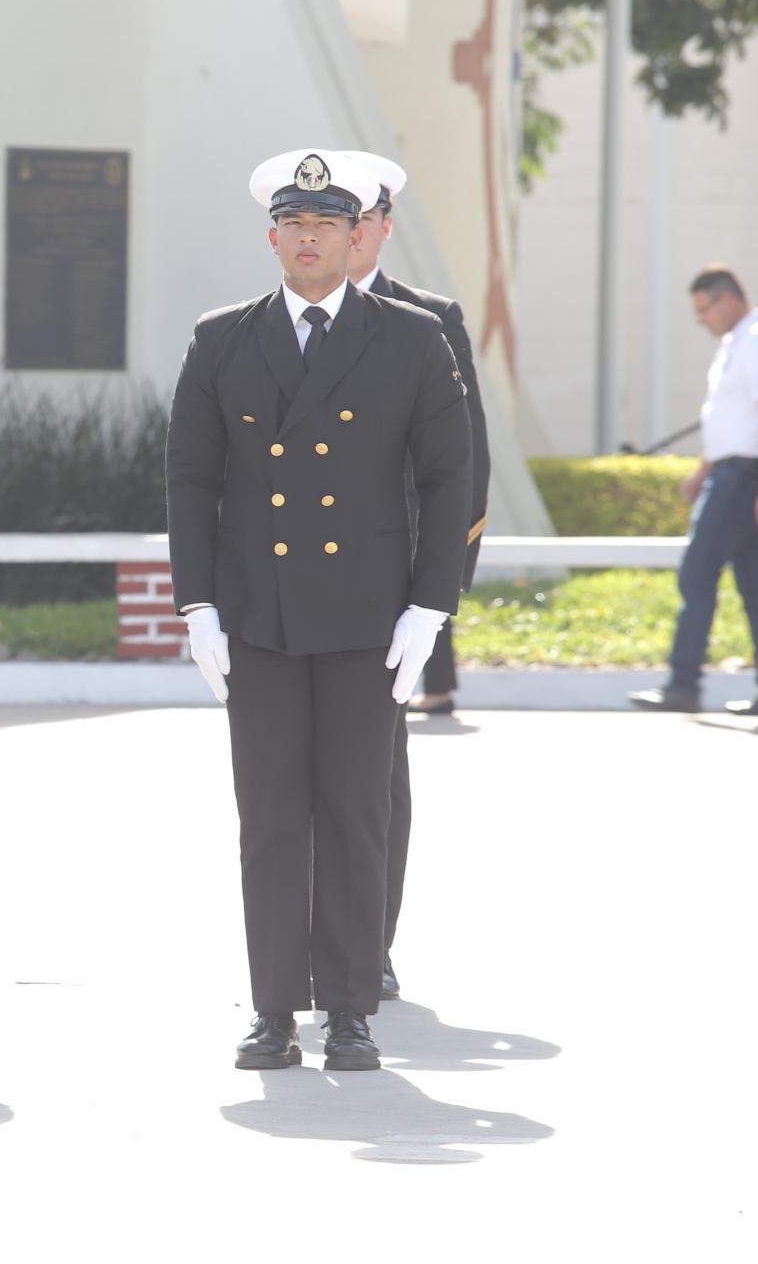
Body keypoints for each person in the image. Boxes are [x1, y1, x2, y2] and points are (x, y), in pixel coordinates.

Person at [166, 150, 472, 1071]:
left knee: (353, 815)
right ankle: (271, 1009)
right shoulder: (222, 338)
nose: (309, 239)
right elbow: (191, 477)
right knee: (268, 816)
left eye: (327, 225)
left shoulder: (413, 338)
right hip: (258, 617)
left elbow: (449, 475)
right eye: (294, 226)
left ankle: (349, 1010)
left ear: (356, 236)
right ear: (273, 239)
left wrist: (430, 606)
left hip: (365, 621)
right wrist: (198, 605)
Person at [341, 149, 493, 1000]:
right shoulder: (270, 319)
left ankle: (370, 942)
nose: (345, 235)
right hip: (300, 588)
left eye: (360, 221)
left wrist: (439, 594)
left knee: (377, 774)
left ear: (383, 228)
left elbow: (463, 464)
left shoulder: (429, 318)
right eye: (330, 221)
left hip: (396, 585)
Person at [628, 266, 758, 717]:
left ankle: (683, 682)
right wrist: (702, 469)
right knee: (756, 588)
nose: (701, 321)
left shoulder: (757, 340)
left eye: (702, 309)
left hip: (743, 481)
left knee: (697, 574)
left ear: (727, 299)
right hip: (732, 474)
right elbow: (735, 423)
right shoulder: (739, 342)